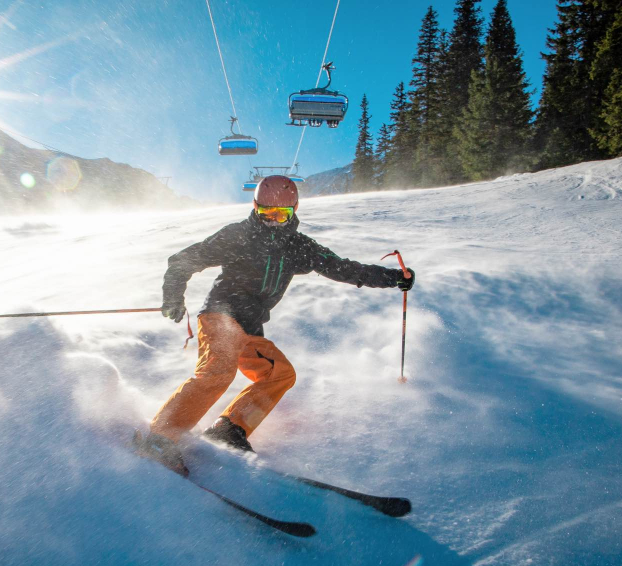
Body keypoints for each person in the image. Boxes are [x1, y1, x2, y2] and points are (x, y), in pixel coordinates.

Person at [138, 175, 415, 476]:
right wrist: (173, 296)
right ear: (255, 207)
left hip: (250, 327)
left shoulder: (299, 247)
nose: (272, 221)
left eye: (281, 214)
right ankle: (160, 437)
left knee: (280, 374)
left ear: (293, 211)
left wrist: (391, 278)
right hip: (221, 314)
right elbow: (183, 260)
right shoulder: (238, 235)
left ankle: (230, 428)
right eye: (265, 213)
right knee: (218, 372)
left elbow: (341, 267)